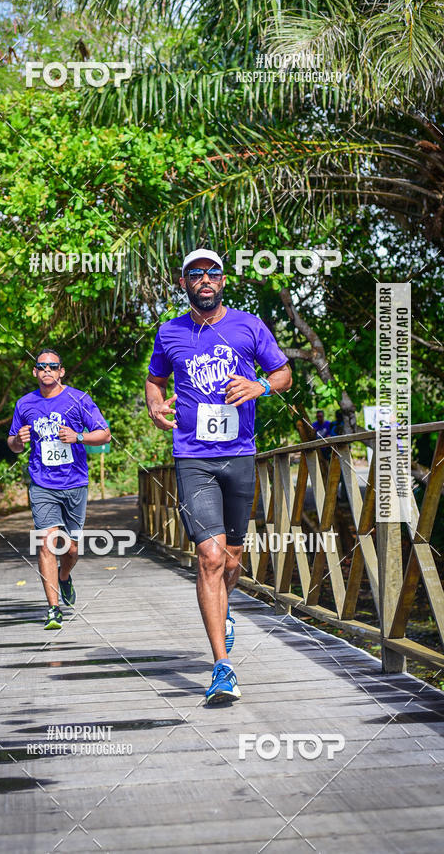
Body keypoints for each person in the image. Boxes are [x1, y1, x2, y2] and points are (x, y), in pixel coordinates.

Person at [145, 249, 292, 705]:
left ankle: (224, 611)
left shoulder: (248, 325)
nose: (204, 280)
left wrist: (260, 386)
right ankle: (221, 667)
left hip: (240, 455)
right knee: (208, 557)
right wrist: (154, 405)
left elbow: (284, 372)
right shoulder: (170, 331)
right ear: (184, 282)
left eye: (212, 273)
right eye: (196, 274)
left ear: (223, 280)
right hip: (192, 457)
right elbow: (155, 379)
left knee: (231, 560)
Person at [7, 349, 110, 629]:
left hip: (74, 482)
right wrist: (18, 439)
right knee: (47, 542)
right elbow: (13, 445)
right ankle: (53, 610)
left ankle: (64, 576)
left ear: (61, 371)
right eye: (42, 367)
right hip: (42, 483)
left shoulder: (79, 399)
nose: (47, 370)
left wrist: (78, 437)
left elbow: (104, 433)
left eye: (53, 366)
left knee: (72, 549)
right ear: (35, 372)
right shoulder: (24, 404)